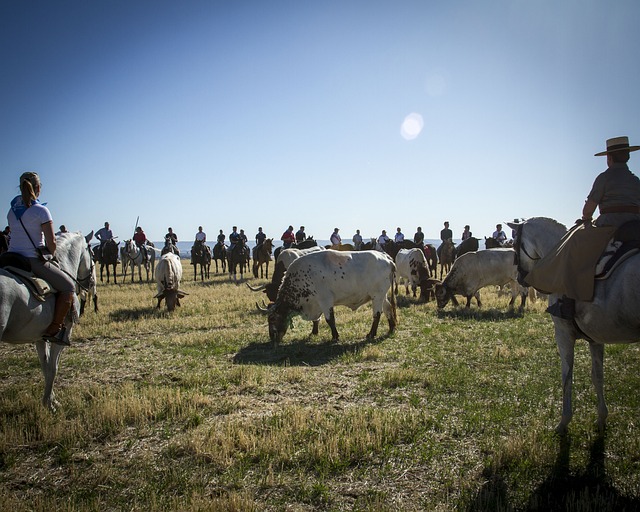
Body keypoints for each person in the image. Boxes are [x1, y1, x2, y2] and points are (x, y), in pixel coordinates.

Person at [7, 172, 76, 345]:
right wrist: (51, 253)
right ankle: (55, 328)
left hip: (9, 258)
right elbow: (52, 242)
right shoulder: (41, 211)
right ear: (38, 188)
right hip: (31, 259)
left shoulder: (12, 209)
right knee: (68, 286)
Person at [582, 136, 640, 228]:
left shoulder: (604, 178)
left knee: (578, 239)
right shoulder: (636, 180)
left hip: (608, 226)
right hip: (635, 226)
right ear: (628, 156)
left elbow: (588, 211)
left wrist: (586, 218)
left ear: (609, 158)